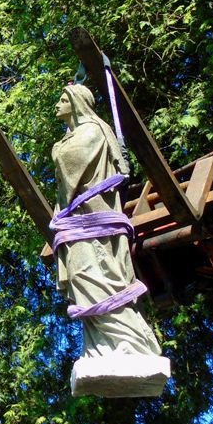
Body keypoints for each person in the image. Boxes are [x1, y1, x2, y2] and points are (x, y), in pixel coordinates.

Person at [51, 83, 168, 396]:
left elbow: (70, 167)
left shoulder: (90, 132)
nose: (57, 105)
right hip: (79, 224)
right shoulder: (78, 134)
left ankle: (131, 343)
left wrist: (57, 149)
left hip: (93, 226)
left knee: (92, 275)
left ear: (77, 103)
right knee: (83, 283)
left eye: (63, 100)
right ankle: (102, 348)